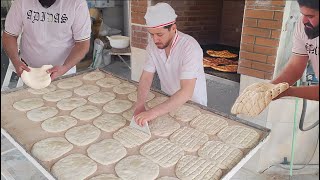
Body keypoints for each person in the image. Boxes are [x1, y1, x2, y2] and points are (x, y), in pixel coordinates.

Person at [134, 3, 207, 126]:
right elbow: (146, 77)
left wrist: (152, 113)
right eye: (151, 34)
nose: (155, 39)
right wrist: (140, 105)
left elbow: (186, 91)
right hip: (168, 103)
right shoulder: (153, 46)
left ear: (173, 28)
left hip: (193, 106)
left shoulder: (189, 47)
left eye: (160, 34)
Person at [2, 0, 91, 80]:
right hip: (29, 71)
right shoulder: (22, 2)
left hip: (64, 71)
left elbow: (82, 44)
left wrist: (65, 67)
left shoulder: (77, 3)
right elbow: (10, 36)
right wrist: (16, 61)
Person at [272, 0, 319, 101]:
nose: (304, 21)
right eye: (303, 14)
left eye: (310, 16)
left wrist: (288, 91)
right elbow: (295, 67)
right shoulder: (304, 26)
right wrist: (270, 89)